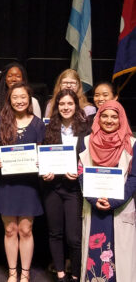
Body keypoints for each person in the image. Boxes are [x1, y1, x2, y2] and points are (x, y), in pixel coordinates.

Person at [0, 82, 45, 282]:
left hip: (28, 186)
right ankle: (12, 272)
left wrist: (41, 161)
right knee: (10, 229)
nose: (20, 101)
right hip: (7, 185)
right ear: (9, 100)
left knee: (25, 229)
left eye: (23, 97)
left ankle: (25, 273)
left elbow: (43, 153)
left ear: (29, 99)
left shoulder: (38, 124)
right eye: (15, 97)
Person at [79, 100, 136, 282]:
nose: (109, 120)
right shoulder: (87, 142)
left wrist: (113, 201)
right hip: (94, 206)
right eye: (104, 115)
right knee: (94, 260)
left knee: (122, 263)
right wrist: (93, 198)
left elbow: (134, 178)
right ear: (98, 117)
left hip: (120, 208)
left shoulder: (132, 143)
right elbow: (81, 174)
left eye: (114, 116)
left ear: (121, 119)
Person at [41, 89, 90, 282]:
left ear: (76, 106)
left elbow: (90, 158)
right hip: (53, 187)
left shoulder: (86, 129)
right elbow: (42, 155)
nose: (65, 107)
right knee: (55, 233)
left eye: (69, 104)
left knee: (74, 238)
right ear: (56, 107)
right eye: (62, 104)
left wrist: (79, 170)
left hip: (74, 190)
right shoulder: (48, 128)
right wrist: (45, 172)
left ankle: (76, 275)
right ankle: (61, 275)